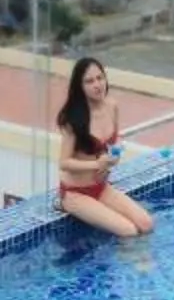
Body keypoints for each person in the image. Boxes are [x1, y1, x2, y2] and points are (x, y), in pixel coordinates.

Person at [54, 54, 155, 239]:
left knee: (146, 224)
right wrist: (97, 165)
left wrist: (114, 157)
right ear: (80, 87)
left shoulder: (111, 106)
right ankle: (133, 267)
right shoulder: (73, 120)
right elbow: (64, 163)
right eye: (89, 81)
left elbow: (116, 139)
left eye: (100, 78)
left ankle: (144, 264)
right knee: (128, 231)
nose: (97, 85)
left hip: (100, 187)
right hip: (75, 193)